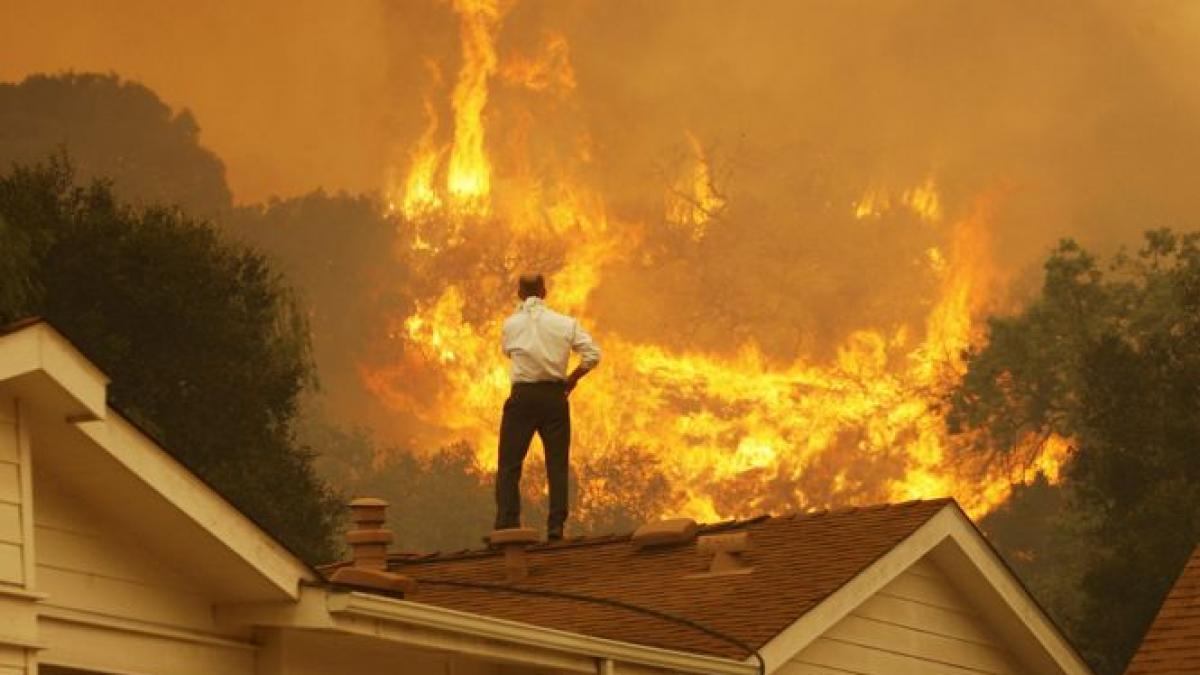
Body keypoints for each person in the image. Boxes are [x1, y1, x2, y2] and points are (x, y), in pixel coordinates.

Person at [494, 273, 600, 541]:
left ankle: (507, 525)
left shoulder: (510, 325)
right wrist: (572, 379)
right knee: (557, 465)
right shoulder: (566, 323)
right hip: (554, 398)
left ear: (519, 293)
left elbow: (508, 352)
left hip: (523, 397)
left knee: (509, 465)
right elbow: (592, 355)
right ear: (544, 291)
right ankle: (556, 527)